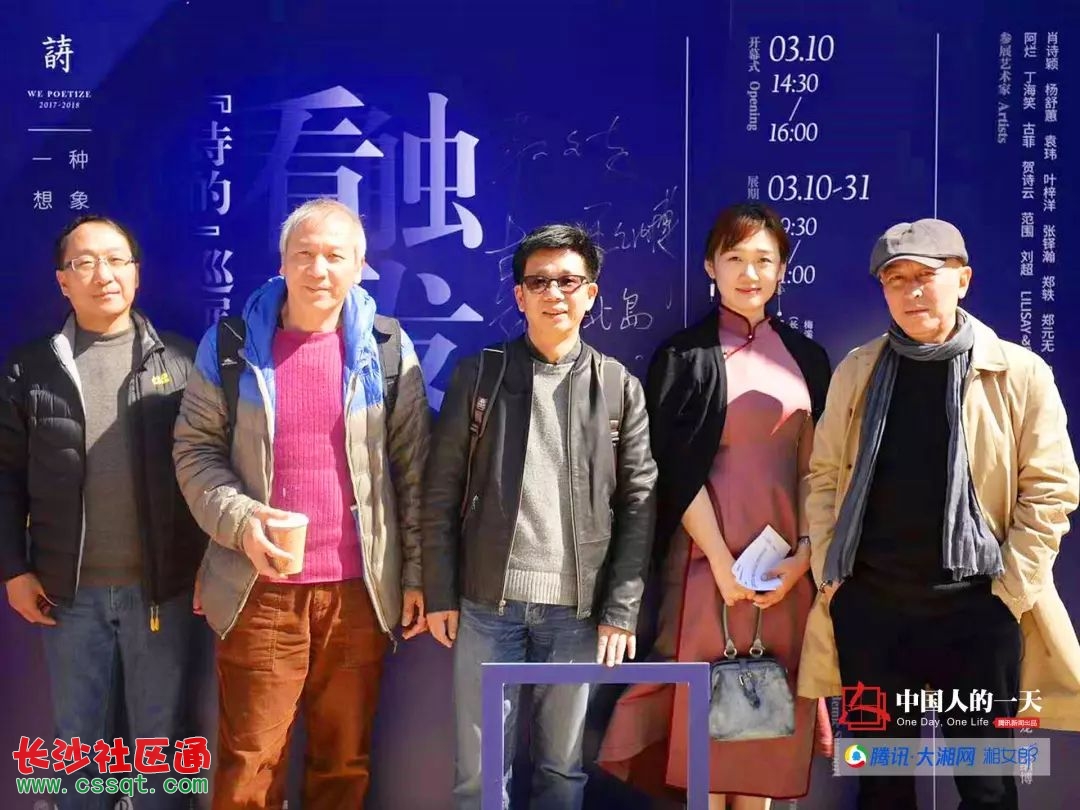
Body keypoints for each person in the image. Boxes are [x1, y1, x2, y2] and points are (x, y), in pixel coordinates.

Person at [798, 218, 1080, 809]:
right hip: (872, 612)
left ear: (963, 280)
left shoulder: (1019, 372)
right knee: (880, 783)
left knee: (987, 786)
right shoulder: (859, 370)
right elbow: (822, 478)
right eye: (895, 280)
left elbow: (1051, 490)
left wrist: (1010, 592)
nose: (911, 291)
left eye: (925, 276)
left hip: (977, 612)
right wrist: (833, 578)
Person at [172, 197, 430, 810]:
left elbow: (413, 470)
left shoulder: (388, 349)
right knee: (251, 762)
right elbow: (195, 451)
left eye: (335, 256)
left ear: (360, 267)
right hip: (260, 589)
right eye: (304, 254)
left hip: (359, 593)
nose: (319, 269)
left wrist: (417, 574)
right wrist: (242, 522)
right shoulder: (232, 346)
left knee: (343, 763)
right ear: (282, 263)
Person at [597, 202, 833, 809]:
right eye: (735, 258)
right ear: (710, 266)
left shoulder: (808, 359)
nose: (749, 274)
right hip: (704, 572)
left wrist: (805, 558)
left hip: (785, 575)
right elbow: (673, 473)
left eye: (764, 260)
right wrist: (722, 565)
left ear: (782, 270)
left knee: (763, 730)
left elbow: (819, 471)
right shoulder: (683, 356)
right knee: (706, 734)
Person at [421, 223, 657, 810]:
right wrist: (440, 591)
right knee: (480, 777)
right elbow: (440, 492)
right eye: (539, 281)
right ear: (519, 295)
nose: (555, 293)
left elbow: (638, 503)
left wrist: (621, 610)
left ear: (591, 294)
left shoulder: (617, 386)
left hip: (577, 613)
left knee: (561, 771)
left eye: (569, 281)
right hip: (486, 605)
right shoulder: (481, 374)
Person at [0, 215, 206, 809]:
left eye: (116, 260)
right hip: (68, 595)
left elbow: (209, 472)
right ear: (63, 280)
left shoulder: (183, 363)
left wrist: (207, 570)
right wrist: (15, 569)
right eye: (84, 262)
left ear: (137, 274)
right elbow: (6, 477)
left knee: (162, 745)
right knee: (78, 744)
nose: (103, 275)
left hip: (161, 592)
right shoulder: (30, 369)